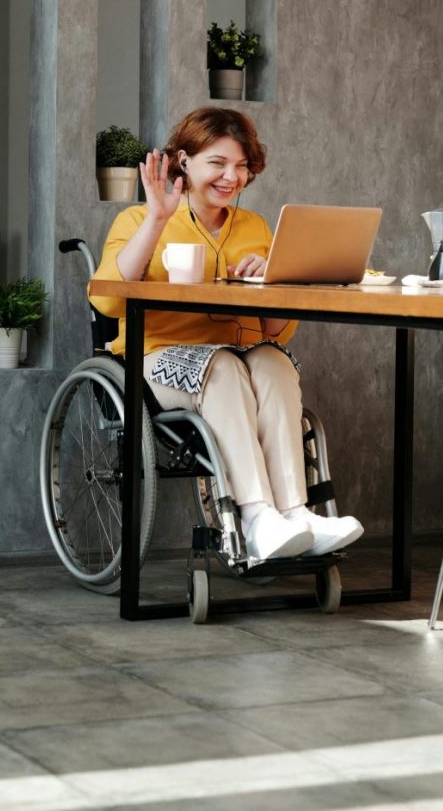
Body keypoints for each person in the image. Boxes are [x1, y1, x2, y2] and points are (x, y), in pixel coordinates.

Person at [91, 106, 363, 561]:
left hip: (238, 358)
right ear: (185, 161)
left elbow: (276, 331)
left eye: (241, 166)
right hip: (157, 360)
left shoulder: (255, 228)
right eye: (217, 163)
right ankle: (257, 517)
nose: (230, 176)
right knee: (223, 367)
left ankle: (295, 515)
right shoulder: (138, 220)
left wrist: (272, 281)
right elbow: (108, 302)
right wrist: (157, 220)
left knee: (274, 362)